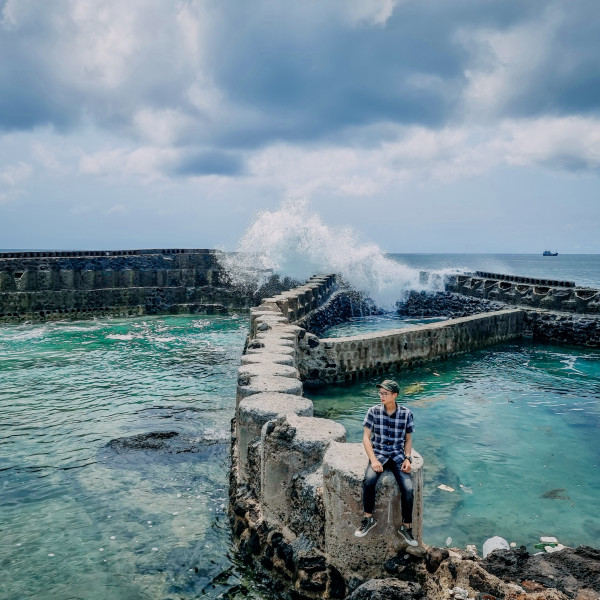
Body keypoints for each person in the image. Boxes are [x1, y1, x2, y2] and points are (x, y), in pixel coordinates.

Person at [354, 379, 417, 546]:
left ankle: (406, 527)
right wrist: (374, 460)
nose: (381, 396)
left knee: (408, 489)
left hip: (397, 456)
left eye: (385, 393)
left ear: (394, 395)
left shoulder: (406, 413)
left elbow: (408, 440)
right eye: (380, 393)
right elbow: (366, 439)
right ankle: (368, 519)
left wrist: (408, 458)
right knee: (369, 481)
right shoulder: (373, 412)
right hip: (379, 454)